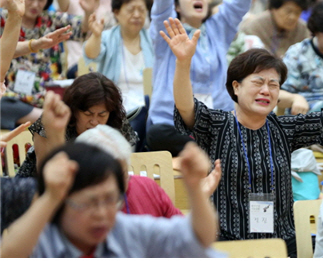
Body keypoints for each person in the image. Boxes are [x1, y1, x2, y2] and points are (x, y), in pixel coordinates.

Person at [162, 16, 323, 256]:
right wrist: (183, 62)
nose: (266, 90)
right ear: (236, 87)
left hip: (282, 245)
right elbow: (186, 106)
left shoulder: (283, 128)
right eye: (258, 82)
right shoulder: (218, 124)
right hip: (227, 244)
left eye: (274, 84)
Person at [146, 0, 286, 155]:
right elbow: (161, 3)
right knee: (161, 136)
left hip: (216, 124)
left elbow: (238, 0)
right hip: (170, 126)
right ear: (178, 6)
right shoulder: (169, 28)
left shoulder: (218, 28)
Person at [1, 142, 221, 258]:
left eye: (110, 200)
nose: (101, 213)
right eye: (88, 202)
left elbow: (200, 238)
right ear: (62, 202)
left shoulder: (128, 231)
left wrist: (194, 190)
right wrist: (50, 197)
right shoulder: (42, 238)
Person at [0, 0, 86, 129]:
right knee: (4, 105)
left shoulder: (51, 19)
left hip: (48, 95)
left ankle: (47, 117)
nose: (35, 5)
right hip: (13, 98)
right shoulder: (5, 18)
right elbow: (5, 50)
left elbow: (84, 28)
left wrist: (89, 10)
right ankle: (45, 118)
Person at [75, 124, 221, 217]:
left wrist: (199, 198)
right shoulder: (78, 214)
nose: (121, 183)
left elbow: (183, 234)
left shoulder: (147, 187)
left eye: (124, 173)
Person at [16, 73, 137, 178]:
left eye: (102, 115)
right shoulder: (51, 123)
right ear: (74, 110)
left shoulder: (115, 122)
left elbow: (123, 167)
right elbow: (47, 173)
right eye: (88, 114)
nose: (94, 121)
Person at [83, 0, 152, 151]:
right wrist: (96, 35)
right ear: (116, 12)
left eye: (142, 10)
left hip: (148, 105)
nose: (137, 15)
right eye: (131, 10)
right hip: (115, 103)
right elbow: (92, 54)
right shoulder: (107, 37)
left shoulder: (152, 40)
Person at [238, 0, 309, 58]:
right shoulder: (254, 27)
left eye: (297, 12)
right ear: (273, 8)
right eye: (288, 11)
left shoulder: (303, 30)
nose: (293, 17)